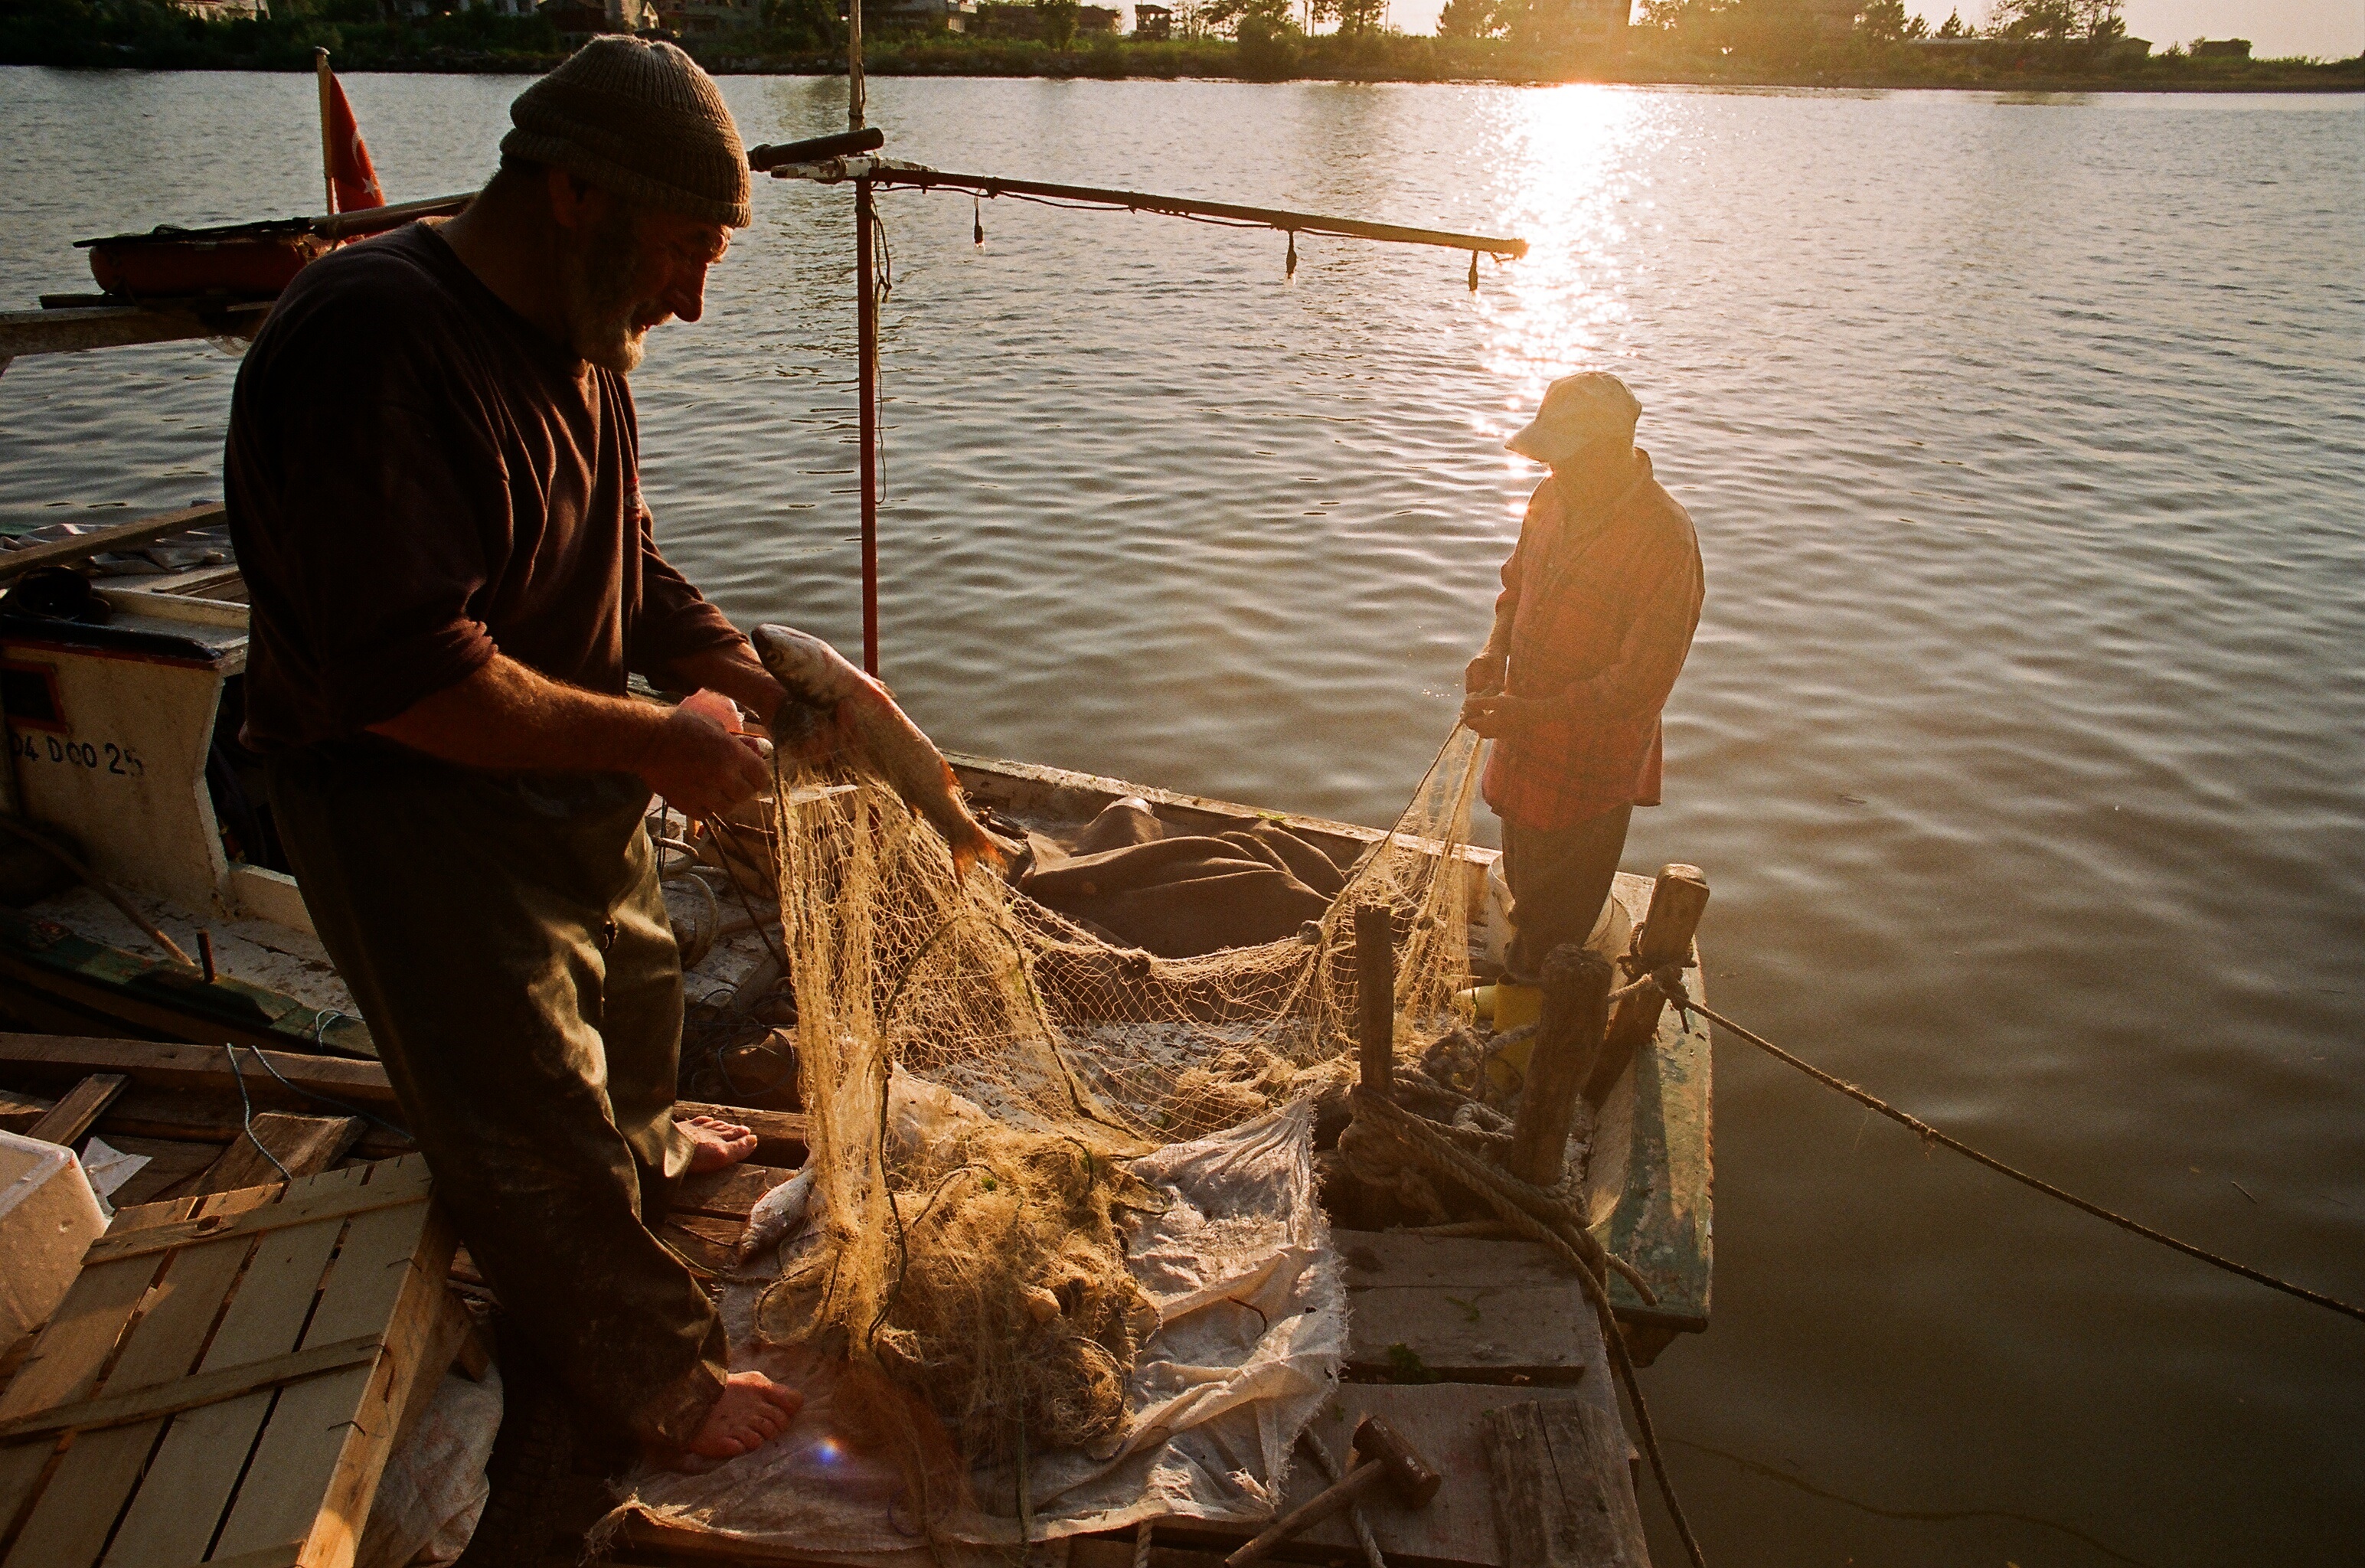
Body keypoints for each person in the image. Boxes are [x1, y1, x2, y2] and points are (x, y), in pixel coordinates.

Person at [225, 39, 804, 1462]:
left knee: (639, 989)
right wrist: (661, 742)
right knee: (525, 1101)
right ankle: (646, 1370)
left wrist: (710, 655)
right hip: (404, 791)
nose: (693, 295)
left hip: (559, 761)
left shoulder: (578, 324)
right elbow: (413, 681)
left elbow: (623, 546)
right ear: (568, 194)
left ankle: (656, 1150)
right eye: (682, 250)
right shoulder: (371, 339)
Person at [1460, 372, 1704, 977]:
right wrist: (1494, 654)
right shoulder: (1548, 498)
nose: (1557, 468)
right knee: (1521, 879)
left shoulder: (1663, 536)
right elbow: (1514, 590)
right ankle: (1525, 977)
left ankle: (1540, 1009)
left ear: (1612, 447)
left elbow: (1637, 686)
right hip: (1525, 747)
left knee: (1557, 923)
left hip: (1590, 765)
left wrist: (1526, 712)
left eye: (1570, 456)